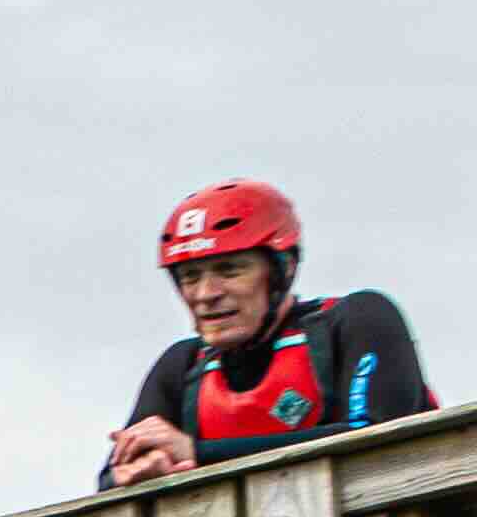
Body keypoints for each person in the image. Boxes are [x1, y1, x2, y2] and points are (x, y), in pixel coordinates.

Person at [102, 181, 430, 487]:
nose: (205, 294)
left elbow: (374, 436)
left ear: (283, 269)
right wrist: (145, 468)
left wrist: (197, 453)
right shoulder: (182, 365)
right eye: (190, 276)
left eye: (230, 270)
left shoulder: (358, 319)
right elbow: (110, 478)